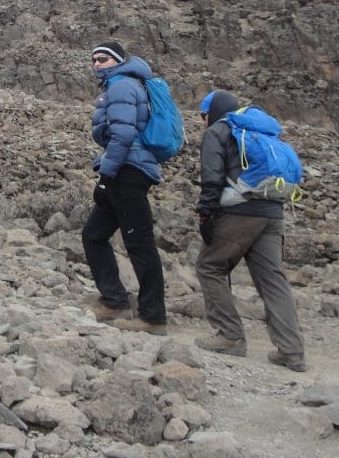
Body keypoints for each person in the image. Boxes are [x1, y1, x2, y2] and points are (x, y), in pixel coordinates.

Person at [192, 90, 307, 371]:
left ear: (213, 111)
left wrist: (206, 215)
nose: (203, 122)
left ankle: (230, 336)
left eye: (204, 115)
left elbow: (212, 178)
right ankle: (292, 351)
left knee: (210, 266)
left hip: (240, 213)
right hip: (272, 213)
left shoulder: (217, 132)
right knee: (272, 279)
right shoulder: (262, 133)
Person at [82, 41, 168, 335]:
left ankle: (153, 317)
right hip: (124, 169)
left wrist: (106, 178)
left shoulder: (121, 86)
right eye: (94, 59)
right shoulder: (122, 85)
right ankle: (115, 301)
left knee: (139, 243)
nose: (97, 64)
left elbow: (122, 135)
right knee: (93, 235)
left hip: (128, 172)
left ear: (117, 61)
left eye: (103, 59)